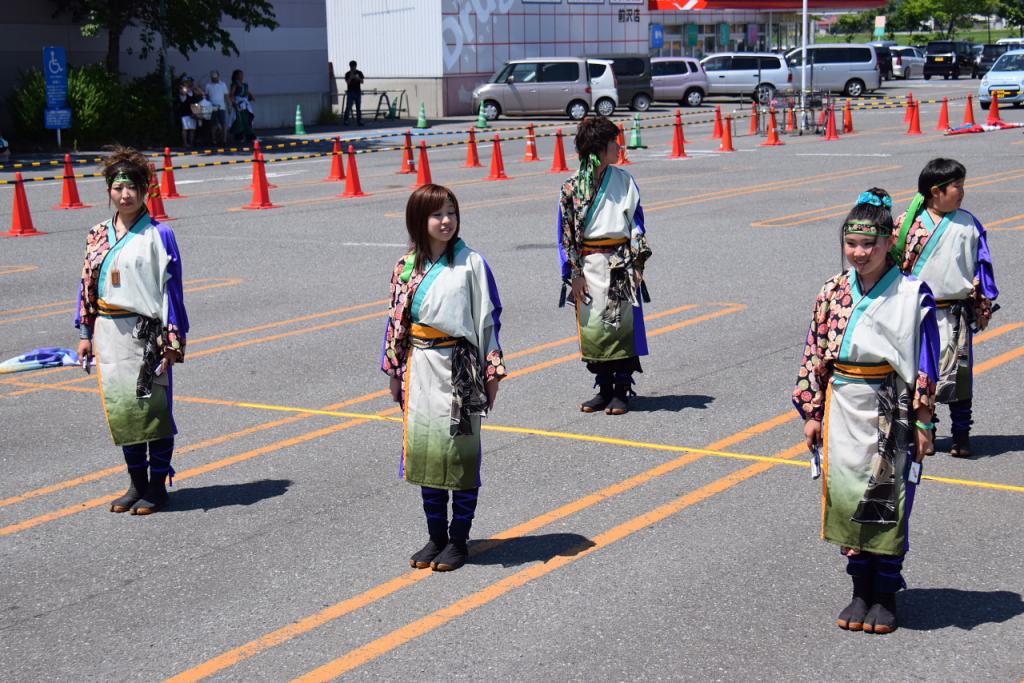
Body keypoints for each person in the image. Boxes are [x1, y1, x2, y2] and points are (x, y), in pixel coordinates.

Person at [793, 188, 939, 635]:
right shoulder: (832, 291)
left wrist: (923, 420)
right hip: (842, 407)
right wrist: (812, 412)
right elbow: (815, 353)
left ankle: (886, 593)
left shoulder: (913, 293)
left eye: (869, 244)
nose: (859, 253)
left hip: (890, 407)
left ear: (887, 242)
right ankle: (860, 589)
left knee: (887, 501)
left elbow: (928, 361)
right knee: (848, 499)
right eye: (851, 244)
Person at [381, 184, 506, 572]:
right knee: (427, 454)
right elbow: (395, 322)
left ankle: (459, 540)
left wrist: (492, 374)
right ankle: (435, 536)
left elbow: (488, 321)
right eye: (437, 214)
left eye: (451, 212)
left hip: (461, 367)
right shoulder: (405, 267)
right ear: (420, 220)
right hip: (419, 367)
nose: (446, 220)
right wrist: (394, 370)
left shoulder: (471, 263)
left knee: (461, 455)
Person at [76, 147, 189, 515]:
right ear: (109, 190)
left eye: (132, 187)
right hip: (108, 330)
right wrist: (84, 332)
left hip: (147, 335)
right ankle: (136, 483)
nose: (125, 195)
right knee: (124, 408)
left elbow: (172, 291)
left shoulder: (160, 234)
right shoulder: (97, 235)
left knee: (151, 409)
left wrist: (172, 340)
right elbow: (86, 286)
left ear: (146, 190)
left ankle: (157, 487)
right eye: (118, 187)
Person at [892, 158, 998, 458]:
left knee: (960, 377)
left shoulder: (970, 224)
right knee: (920, 374)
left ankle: (961, 434)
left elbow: (981, 267)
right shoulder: (907, 224)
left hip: (956, 314)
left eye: (963, 186)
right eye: (957, 187)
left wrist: (982, 304)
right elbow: (893, 266)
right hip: (918, 315)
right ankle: (928, 429)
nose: (962, 192)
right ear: (935, 191)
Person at [557, 115, 651, 415]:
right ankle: (604, 387)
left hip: (620, 264)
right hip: (588, 266)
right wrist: (573, 274)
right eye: (613, 142)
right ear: (598, 149)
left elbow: (636, 224)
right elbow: (565, 235)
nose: (619, 146)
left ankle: (622, 389)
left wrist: (637, 264)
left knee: (621, 327)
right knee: (594, 329)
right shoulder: (571, 188)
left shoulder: (624, 181)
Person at [176, 75, 204, 148]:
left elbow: (202, 94)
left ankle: (191, 143)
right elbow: (183, 92)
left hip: (193, 112)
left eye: (191, 82)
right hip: (185, 113)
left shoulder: (193, 91)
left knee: (192, 129)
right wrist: (189, 87)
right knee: (185, 128)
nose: (190, 83)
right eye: (188, 82)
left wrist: (196, 88)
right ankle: (185, 143)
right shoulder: (183, 89)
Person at [229, 69, 256, 143]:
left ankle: (249, 136)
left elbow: (248, 92)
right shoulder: (235, 84)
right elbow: (231, 94)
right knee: (238, 120)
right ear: (236, 76)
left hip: (245, 105)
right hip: (238, 104)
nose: (242, 76)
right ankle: (239, 136)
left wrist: (252, 97)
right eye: (240, 74)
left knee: (247, 119)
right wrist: (234, 103)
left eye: (242, 74)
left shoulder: (244, 85)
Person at [204, 70, 230, 145]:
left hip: (221, 106)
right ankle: (214, 140)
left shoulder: (223, 84)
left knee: (223, 123)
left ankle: (224, 140)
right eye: (213, 78)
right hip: (212, 107)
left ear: (218, 76)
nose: (214, 79)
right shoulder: (208, 85)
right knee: (213, 124)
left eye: (215, 77)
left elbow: (226, 96)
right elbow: (206, 97)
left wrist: (229, 105)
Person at [343, 60, 365, 126]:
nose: (353, 68)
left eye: (354, 67)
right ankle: (346, 120)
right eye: (351, 67)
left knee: (358, 108)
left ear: (356, 66)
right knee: (348, 107)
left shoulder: (359, 72)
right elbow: (347, 82)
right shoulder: (347, 74)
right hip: (350, 92)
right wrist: (351, 77)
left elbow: (362, 82)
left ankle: (359, 121)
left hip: (357, 92)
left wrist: (358, 78)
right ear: (350, 67)